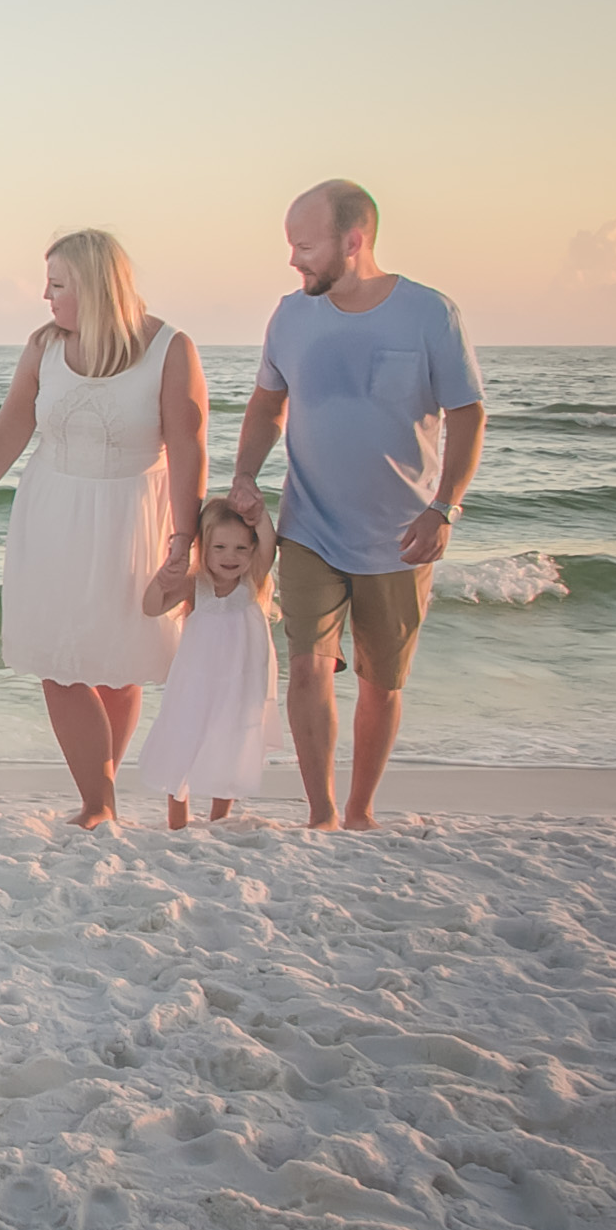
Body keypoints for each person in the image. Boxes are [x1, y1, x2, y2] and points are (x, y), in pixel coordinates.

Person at [0, 229, 207, 829]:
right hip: (52, 516)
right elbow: (6, 432)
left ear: (96, 287)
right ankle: (98, 802)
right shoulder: (44, 347)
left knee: (119, 668)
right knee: (59, 665)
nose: (45, 296)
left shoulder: (170, 348)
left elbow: (188, 447)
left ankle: (100, 795)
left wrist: (187, 540)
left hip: (133, 518)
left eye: (56, 285)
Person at [228, 179, 486, 831]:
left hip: (400, 534)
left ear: (353, 240)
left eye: (304, 245)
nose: (293, 259)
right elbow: (267, 403)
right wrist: (244, 475)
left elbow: (467, 413)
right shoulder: (290, 316)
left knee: (381, 681)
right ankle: (320, 813)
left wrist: (443, 508)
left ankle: (360, 809)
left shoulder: (429, 313)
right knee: (307, 666)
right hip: (308, 525)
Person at [136, 496, 279, 829]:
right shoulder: (195, 584)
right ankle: (177, 821)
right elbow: (151, 607)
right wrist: (162, 578)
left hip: (242, 680)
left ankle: (220, 818)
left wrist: (254, 508)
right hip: (197, 680)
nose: (231, 556)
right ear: (204, 547)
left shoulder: (253, 580)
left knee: (232, 738)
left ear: (252, 550)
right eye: (220, 547)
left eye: (241, 548)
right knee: (184, 736)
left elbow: (269, 539)